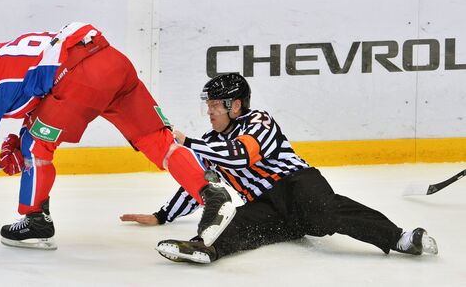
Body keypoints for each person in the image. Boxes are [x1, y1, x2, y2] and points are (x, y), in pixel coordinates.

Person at [0, 22, 237, 250]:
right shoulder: (3, 52)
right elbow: (41, 89)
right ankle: (211, 196)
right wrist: (19, 135)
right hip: (112, 61)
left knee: (35, 148)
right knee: (158, 139)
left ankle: (36, 222)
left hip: (78, 77)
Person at [121, 73, 439, 264]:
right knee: (238, 222)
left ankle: (400, 237)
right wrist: (162, 215)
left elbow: (242, 154)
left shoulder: (260, 121)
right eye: (208, 105)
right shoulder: (209, 141)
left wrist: (187, 141)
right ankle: (205, 248)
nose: (209, 111)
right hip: (266, 206)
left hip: (297, 185)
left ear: (235, 105)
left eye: (215, 105)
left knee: (323, 214)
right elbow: (201, 185)